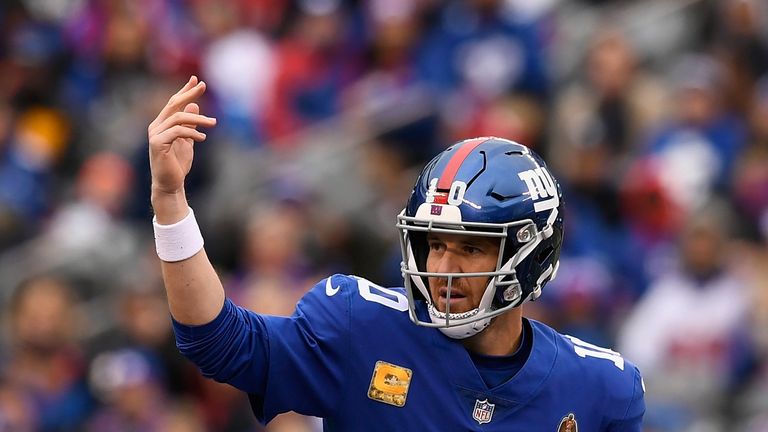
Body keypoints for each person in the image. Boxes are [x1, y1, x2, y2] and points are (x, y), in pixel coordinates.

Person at [148, 76, 645, 430]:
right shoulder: (359, 325)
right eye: (434, 244)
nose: (442, 269)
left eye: (470, 248)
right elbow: (215, 342)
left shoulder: (602, 391)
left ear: (532, 256)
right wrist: (171, 204)